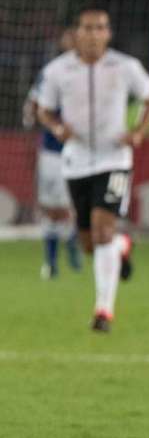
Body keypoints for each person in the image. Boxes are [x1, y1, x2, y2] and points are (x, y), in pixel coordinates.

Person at [36, 6, 149, 333]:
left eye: (100, 27)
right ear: (77, 33)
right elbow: (43, 109)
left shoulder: (125, 66)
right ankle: (121, 246)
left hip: (114, 159)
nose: (93, 34)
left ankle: (103, 311)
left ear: (108, 33)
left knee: (103, 231)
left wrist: (139, 132)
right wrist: (57, 127)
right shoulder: (58, 70)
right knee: (90, 243)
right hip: (76, 160)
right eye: (87, 28)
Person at [22, 28, 81, 279]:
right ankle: (51, 261)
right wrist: (29, 119)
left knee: (79, 205)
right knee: (51, 208)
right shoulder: (51, 71)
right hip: (52, 151)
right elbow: (33, 105)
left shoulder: (96, 71)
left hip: (84, 150)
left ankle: (72, 243)